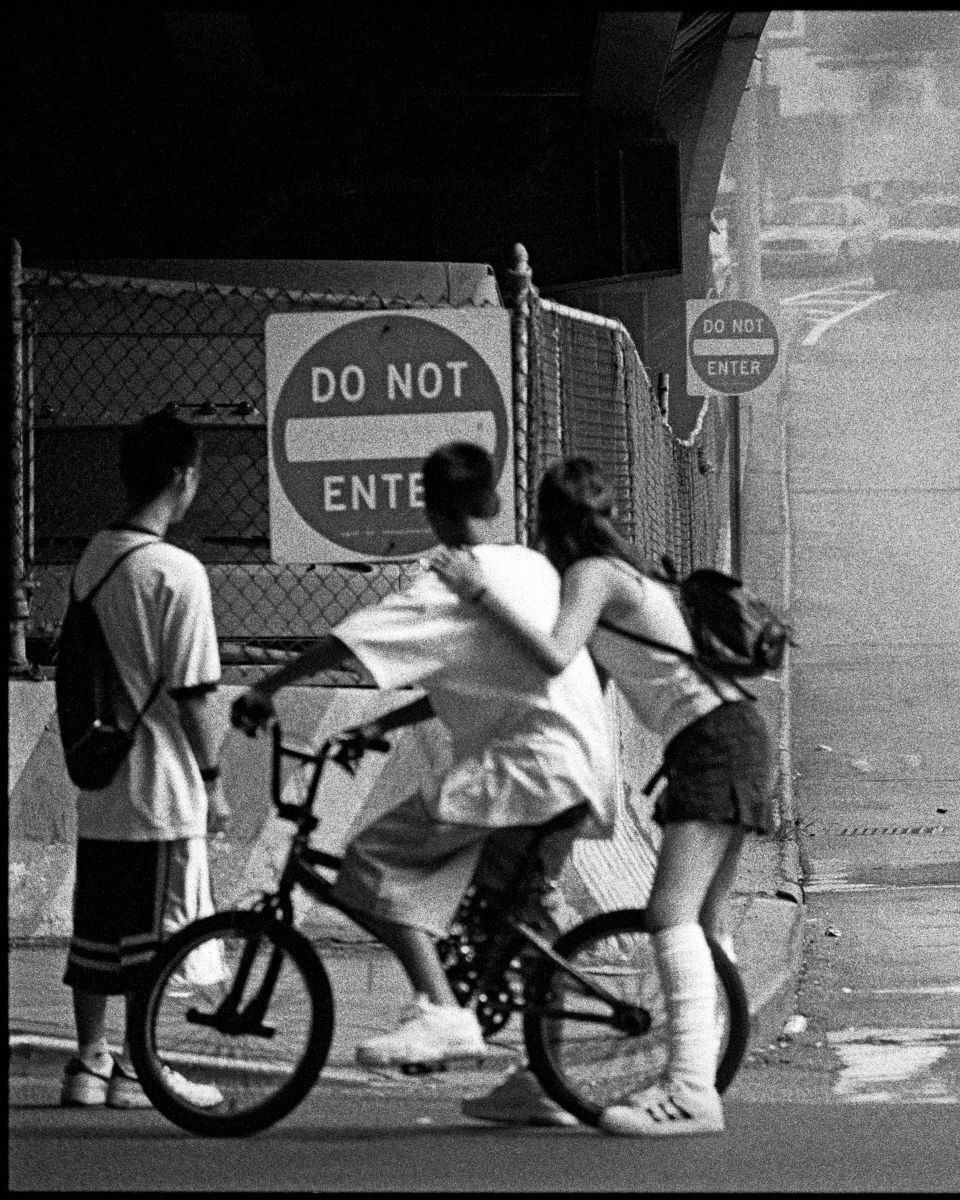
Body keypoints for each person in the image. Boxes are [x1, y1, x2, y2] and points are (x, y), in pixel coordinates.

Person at [229, 441, 615, 1073]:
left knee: (374, 861)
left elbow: (348, 641)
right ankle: (548, 1079)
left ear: (428, 508)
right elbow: (480, 675)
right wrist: (383, 723)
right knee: (511, 919)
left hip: (527, 771)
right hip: (574, 767)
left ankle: (439, 1010)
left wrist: (267, 686)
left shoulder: (451, 584)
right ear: (494, 499)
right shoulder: (532, 567)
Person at [431, 456, 777, 1138]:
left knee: (669, 916)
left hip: (712, 741)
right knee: (706, 923)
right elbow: (584, 680)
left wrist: (478, 593)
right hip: (732, 734)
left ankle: (689, 1092)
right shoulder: (638, 577)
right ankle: (698, 1073)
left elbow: (557, 654)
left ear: (547, 523)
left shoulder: (591, 575)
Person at [59, 410, 230, 1111]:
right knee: (156, 941)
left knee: (98, 931)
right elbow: (194, 695)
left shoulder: (96, 554)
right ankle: (140, 1069)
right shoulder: (177, 573)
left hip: (101, 780)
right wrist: (216, 783)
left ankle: (88, 1065)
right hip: (161, 787)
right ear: (183, 478)